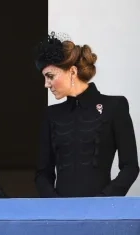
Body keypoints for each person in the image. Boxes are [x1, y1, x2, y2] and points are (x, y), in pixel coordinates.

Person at [34, 32, 139, 197]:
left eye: (50, 76)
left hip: (102, 212)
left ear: (73, 72)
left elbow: (130, 167)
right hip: (61, 214)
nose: (47, 84)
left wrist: (103, 202)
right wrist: (57, 206)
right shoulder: (51, 114)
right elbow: (42, 174)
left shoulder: (115, 106)